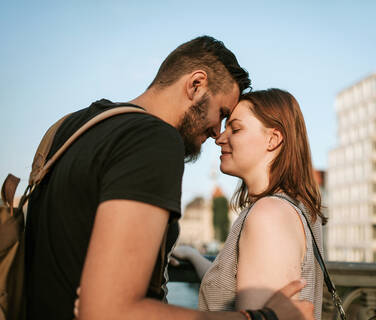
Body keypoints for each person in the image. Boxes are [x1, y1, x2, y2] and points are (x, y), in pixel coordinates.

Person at [25, 36, 314, 320]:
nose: (217, 133)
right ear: (196, 84)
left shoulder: (67, 127)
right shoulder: (153, 139)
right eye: (222, 113)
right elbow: (108, 311)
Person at [173, 88, 326, 319]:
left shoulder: (269, 216)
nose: (220, 138)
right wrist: (194, 257)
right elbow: (234, 288)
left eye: (235, 129)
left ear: (273, 139)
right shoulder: (292, 208)